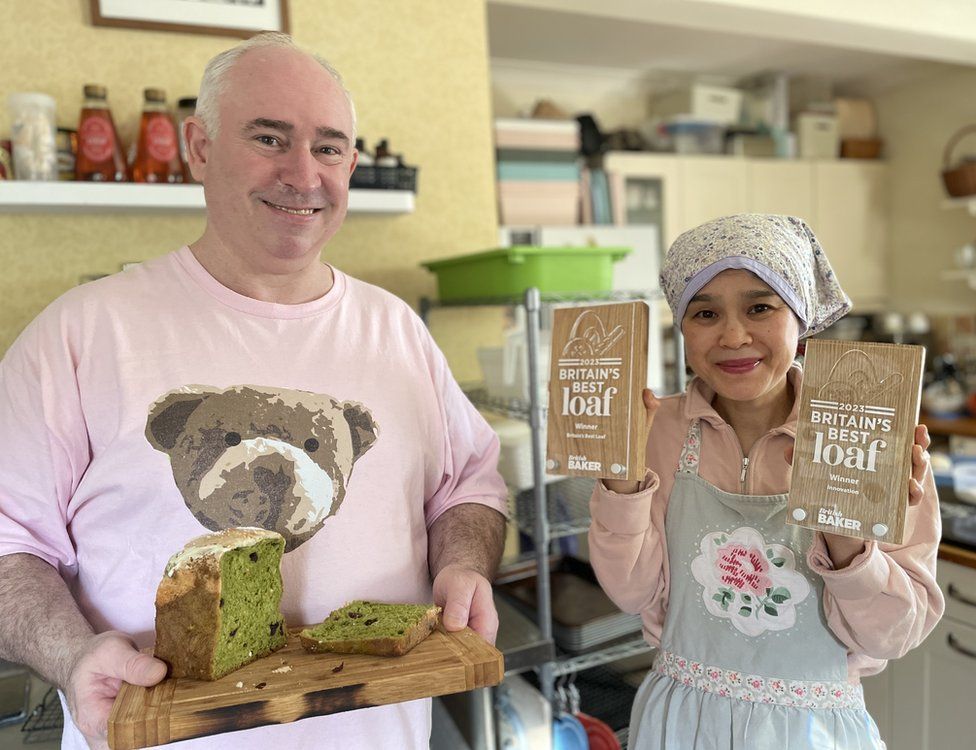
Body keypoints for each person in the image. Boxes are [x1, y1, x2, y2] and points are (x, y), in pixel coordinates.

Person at [0, 32, 507, 750]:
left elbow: (469, 488)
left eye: (329, 148)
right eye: (271, 138)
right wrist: (71, 653)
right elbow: (7, 543)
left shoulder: (397, 332)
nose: (303, 174)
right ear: (199, 149)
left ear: (352, 166)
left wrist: (462, 564)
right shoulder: (83, 334)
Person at [588, 214, 943, 749]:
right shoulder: (652, 429)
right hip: (682, 723)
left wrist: (847, 540)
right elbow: (630, 591)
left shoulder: (871, 438)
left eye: (760, 307)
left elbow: (889, 635)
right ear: (681, 328)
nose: (733, 335)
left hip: (810, 731)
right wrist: (621, 480)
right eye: (705, 312)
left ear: (801, 321)